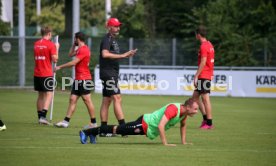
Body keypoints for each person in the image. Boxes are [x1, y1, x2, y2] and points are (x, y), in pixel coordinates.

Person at [79, 98, 198, 146]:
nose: (197, 112)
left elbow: (183, 126)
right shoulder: (174, 109)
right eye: (195, 109)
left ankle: (93, 134)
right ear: (187, 107)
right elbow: (161, 125)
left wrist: (184, 142)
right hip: (144, 123)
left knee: (119, 130)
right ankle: (86, 132)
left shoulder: (184, 114)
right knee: (118, 129)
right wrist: (165, 143)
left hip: (147, 127)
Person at [99, 17, 137, 136]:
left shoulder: (112, 39)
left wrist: (125, 55)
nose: (118, 28)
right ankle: (123, 128)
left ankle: (103, 130)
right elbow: (104, 54)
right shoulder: (107, 38)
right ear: (109, 27)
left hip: (110, 73)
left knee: (107, 101)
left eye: (118, 26)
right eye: (115, 26)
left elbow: (112, 55)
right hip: (108, 73)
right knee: (117, 98)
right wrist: (123, 55)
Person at [54, 32, 97, 128]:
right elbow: (70, 54)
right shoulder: (79, 49)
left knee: (87, 100)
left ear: (77, 38)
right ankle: (65, 122)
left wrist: (60, 67)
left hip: (84, 79)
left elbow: (73, 63)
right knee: (72, 99)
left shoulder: (84, 50)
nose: (74, 40)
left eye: (75, 39)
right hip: (78, 79)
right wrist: (74, 45)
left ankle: (94, 123)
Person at [33, 26, 59, 125]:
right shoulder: (50, 45)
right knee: (49, 93)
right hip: (46, 73)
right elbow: (55, 59)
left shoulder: (36, 44)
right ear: (48, 33)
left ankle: (40, 117)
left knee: (40, 95)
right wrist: (57, 48)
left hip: (37, 72)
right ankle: (43, 116)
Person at [192, 25, 215, 129]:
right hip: (206, 74)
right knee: (195, 97)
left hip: (204, 75)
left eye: (195, 34)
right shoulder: (209, 44)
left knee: (205, 99)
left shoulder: (203, 46)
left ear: (198, 35)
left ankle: (209, 123)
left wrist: (196, 75)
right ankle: (205, 119)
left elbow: (203, 61)